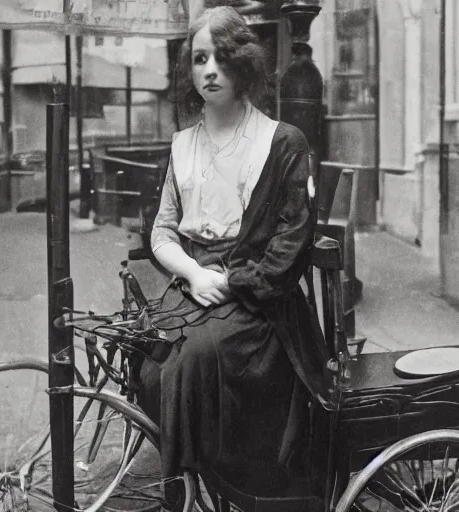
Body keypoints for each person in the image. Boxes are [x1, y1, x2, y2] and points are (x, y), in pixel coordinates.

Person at [136, 6, 327, 506]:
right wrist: (196, 274)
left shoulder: (282, 142)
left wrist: (232, 282)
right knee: (149, 360)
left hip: (262, 304)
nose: (210, 69)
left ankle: (225, 487)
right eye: (200, 59)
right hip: (197, 287)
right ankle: (194, 477)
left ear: (244, 65)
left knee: (194, 362)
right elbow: (161, 232)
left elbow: (291, 246)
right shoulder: (182, 146)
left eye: (222, 57)